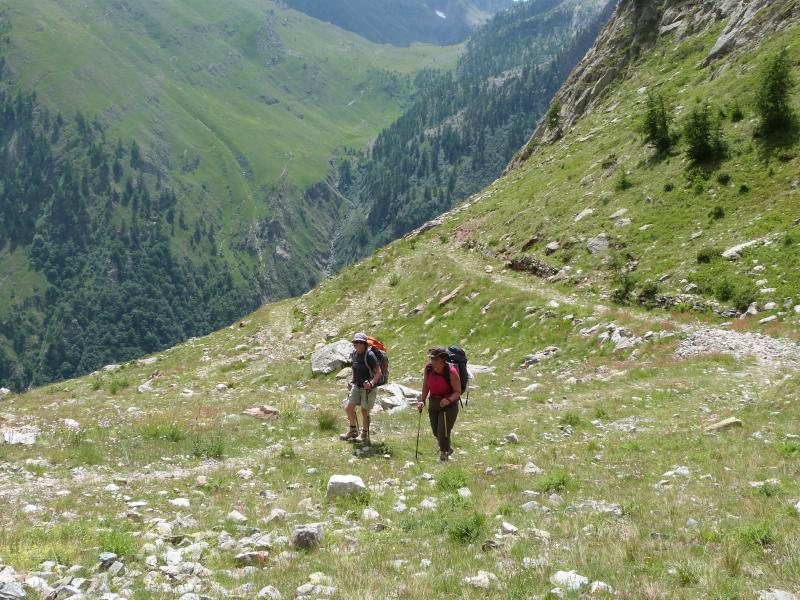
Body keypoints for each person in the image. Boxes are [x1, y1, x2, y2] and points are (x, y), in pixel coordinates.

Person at [417, 346, 461, 462]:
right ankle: (447, 447)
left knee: (443, 431)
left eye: (435, 359)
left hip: (448, 405)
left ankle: (444, 455)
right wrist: (422, 400)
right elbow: (426, 385)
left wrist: (448, 400)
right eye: (431, 358)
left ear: (443, 359)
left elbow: (457, 392)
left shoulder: (451, 372)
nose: (432, 361)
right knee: (436, 431)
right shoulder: (429, 368)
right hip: (434, 402)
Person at [340, 332, 382, 445]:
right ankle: (353, 431)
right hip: (357, 386)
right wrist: (352, 382)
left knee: (364, 411)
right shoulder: (354, 354)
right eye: (355, 342)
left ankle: (364, 434)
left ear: (364, 344)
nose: (357, 345)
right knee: (349, 408)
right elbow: (355, 369)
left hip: (369, 389)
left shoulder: (370, 355)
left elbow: (378, 373)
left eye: (359, 342)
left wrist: (372, 383)